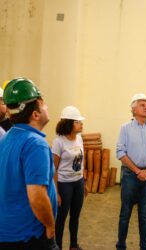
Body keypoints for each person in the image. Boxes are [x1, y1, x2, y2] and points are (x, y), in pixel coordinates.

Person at [0, 78, 58, 250]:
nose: (47, 107)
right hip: (28, 236)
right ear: (35, 114)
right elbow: (37, 197)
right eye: (44, 104)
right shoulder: (35, 144)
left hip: (7, 232)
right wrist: (50, 227)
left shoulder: (7, 137)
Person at [116, 93, 146, 250]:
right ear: (133, 108)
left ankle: (145, 246)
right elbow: (120, 153)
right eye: (142, 104)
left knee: (145, 215)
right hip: (130, 175)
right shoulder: (125, 128)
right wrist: (137, 171)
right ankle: (121, 245)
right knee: (125, 214)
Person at [52, 106, 86, 250]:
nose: (81, 124)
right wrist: (56, 192)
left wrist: (84, 182)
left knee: (75, 216)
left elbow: (82, 161)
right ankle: (58, 246)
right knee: (61, 219)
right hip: (64, 184)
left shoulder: (79, 138)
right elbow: (53, 169)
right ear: (69, 123)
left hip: (78, 182)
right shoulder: (59, 142)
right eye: (78, 122)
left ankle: (73, 245)